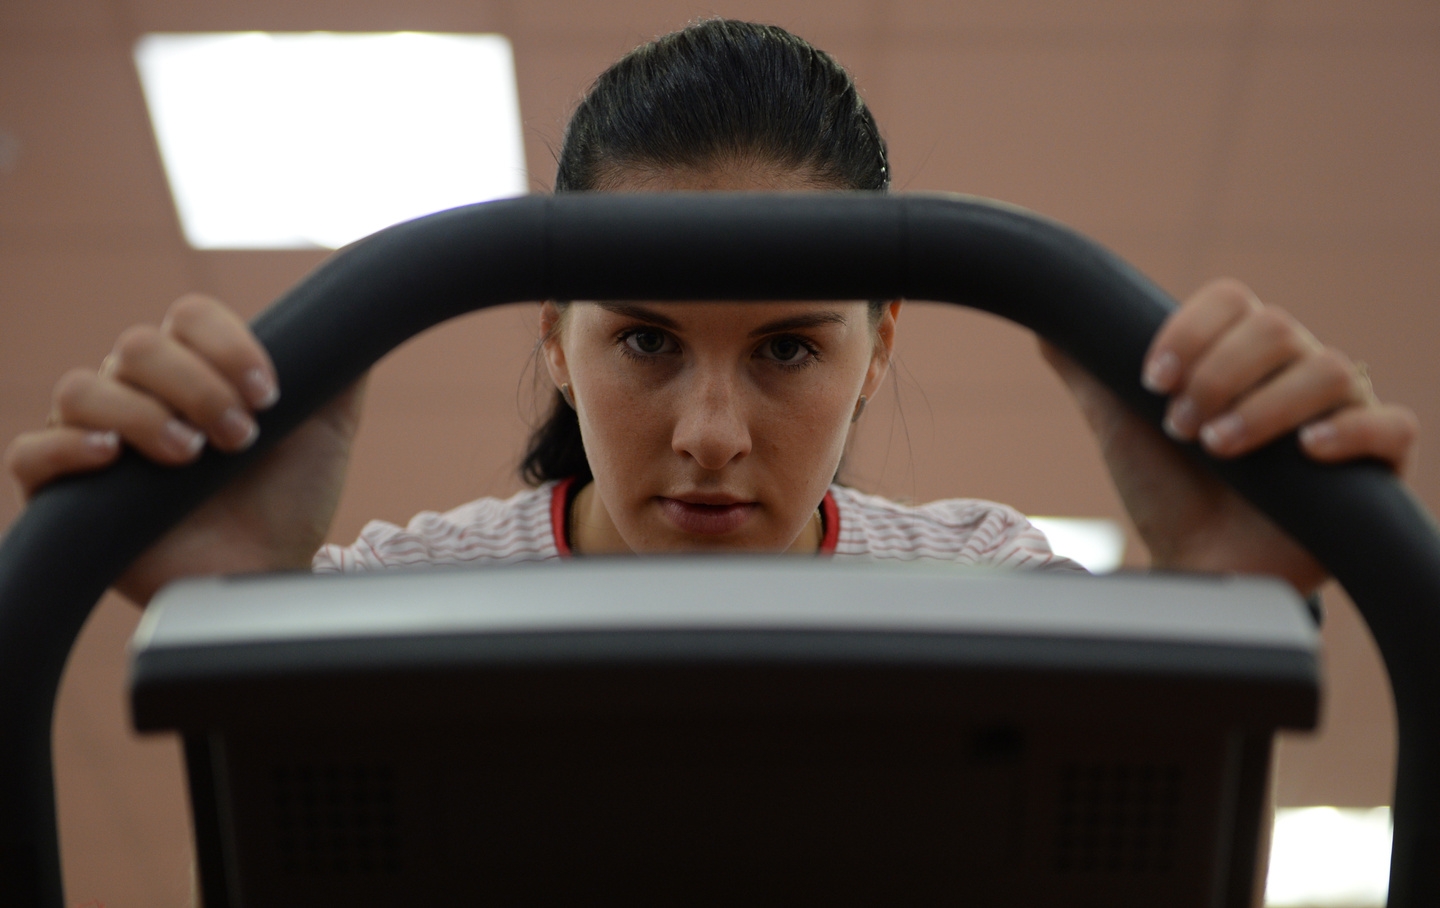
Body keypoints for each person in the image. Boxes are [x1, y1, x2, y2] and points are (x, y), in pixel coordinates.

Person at [3, 20, 1419, 607]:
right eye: (645, 340)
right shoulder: (403, 598)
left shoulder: (981, 579)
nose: (712, 435)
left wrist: (1215, 607)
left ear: (880, 347)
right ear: (554, 338)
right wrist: (235, 613)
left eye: (791, 346)